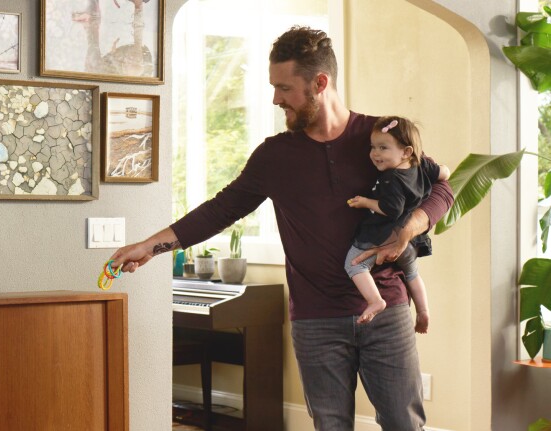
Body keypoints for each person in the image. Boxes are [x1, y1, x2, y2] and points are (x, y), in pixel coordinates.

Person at [110, 25, 453, 430]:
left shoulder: (382, 136)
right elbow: (220, 210)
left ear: (319, 83)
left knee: (404, 424)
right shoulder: (274, 156)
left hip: (387, 309)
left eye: (284, 88)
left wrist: (412, 225)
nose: (275, 99)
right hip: (315, 319)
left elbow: (443, 185)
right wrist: (150, 247)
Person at [345, 116, 451, 334]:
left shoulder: (391, 178)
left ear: (406, 152)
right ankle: (423, 310)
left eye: (383, 148)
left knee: (355, 265)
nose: (375, 154)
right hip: (411, 241)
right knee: (412, 273)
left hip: (385, 234)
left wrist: (365, 202)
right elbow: (445, 174)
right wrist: (442, 169)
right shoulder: (423, 165)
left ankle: (375, 301)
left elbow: (392, 208)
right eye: (373, 147)